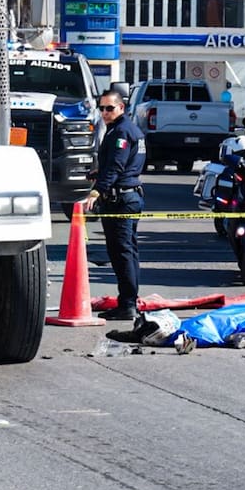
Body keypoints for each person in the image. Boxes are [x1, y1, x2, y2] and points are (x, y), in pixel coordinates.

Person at [82, 90, 147, 320]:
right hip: (128, 195)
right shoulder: (127, 129)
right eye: (101, 108)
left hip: (122, 200)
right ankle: (128, 302)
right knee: (127, 252)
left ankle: (128, 305)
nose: (105, 113)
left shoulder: (121, 131)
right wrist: (99, 173)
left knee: (122, 254)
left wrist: (96, 191)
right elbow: (124, 164)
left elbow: (117, 166)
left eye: (110, 108)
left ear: (121, 107)